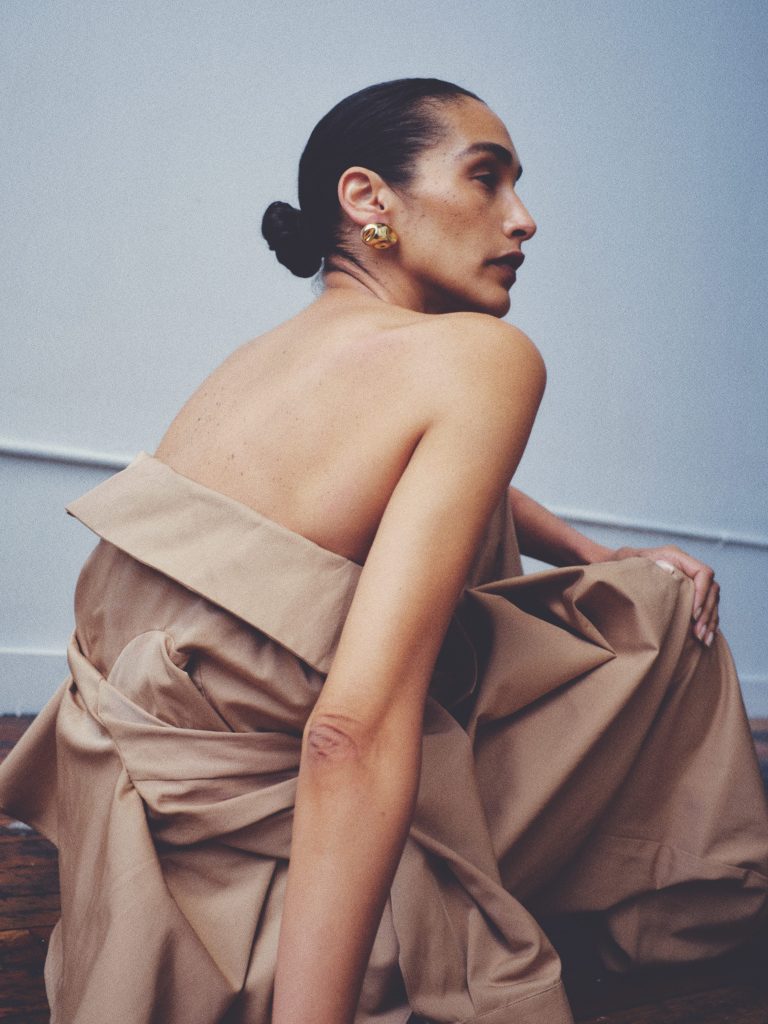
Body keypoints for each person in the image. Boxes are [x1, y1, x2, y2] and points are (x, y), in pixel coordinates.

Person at [1, 78, 766, 1024]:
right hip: (272, 921)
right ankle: (667, 936)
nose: (523, 221)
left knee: (629, 587)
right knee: (665, 619)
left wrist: (592, 548)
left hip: (136, 891)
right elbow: (346, 734)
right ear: (369, 201)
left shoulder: (265, 359)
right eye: (487, 179)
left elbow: (412, 479)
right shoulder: (485, 357)